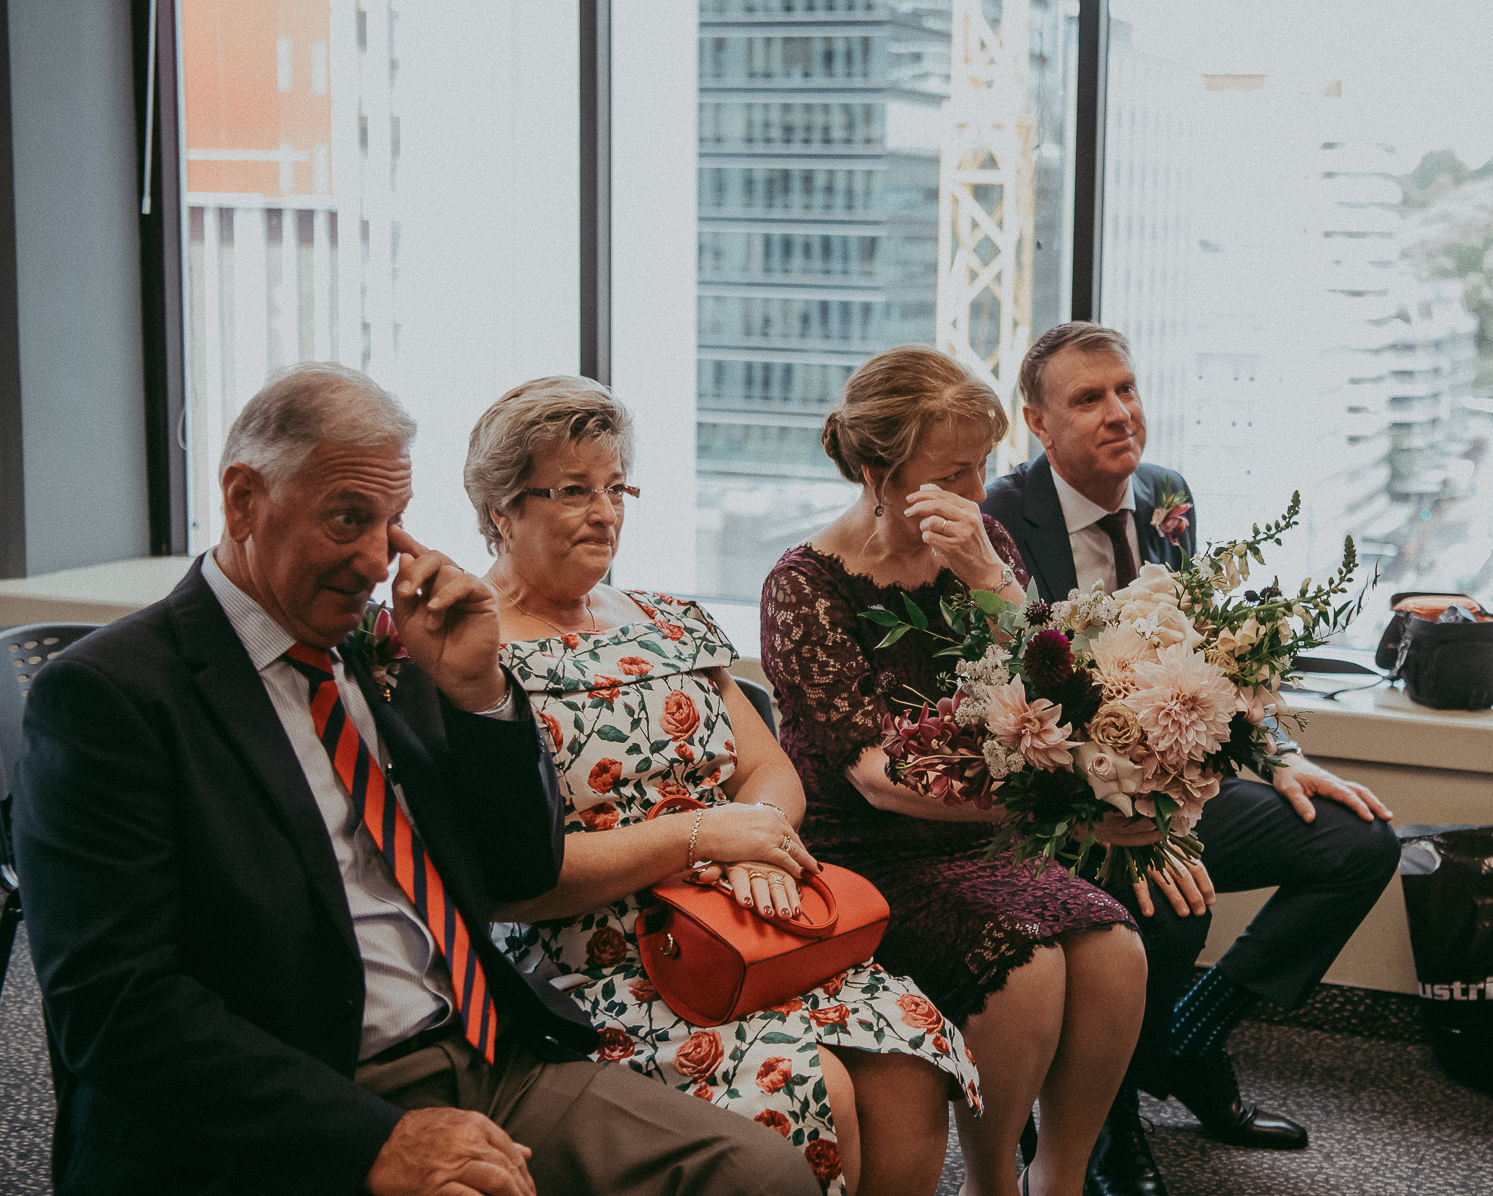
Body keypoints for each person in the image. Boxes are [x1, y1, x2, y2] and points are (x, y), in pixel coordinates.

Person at [14, 364, 817, 1196]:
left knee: (761, 1176)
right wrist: (369, 1141)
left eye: (392, 524)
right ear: (244, 500)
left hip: (483, 1046)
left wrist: (480, 698)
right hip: (301, 1094)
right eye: (347, 520)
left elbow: (517, 873)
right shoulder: (113, 695)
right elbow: (117, 1010)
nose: (372, 562)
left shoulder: (389, 653)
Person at [463, 376, 977, 1196]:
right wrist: (706, 837)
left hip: (750, 920)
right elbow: (515, 873)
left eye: (614, 488)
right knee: (820, 1088)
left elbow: (769, 766)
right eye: (572, 491)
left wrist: (760, 840)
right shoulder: (468, 655)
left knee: (907, 1054)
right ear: (500, 507)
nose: (605, 512)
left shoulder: (669, 619)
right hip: (603, 958)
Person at [981, 323, 1403, 1196]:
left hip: (1175, 791)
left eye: (1126, 389)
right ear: (1036, 420)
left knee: (1355, 844)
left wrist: (1280, 755)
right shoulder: (1001, 520)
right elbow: (1006, 701)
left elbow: (1206, 651)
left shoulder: (1168, 493)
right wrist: (1128, 819)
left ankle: (1192, 1038)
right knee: (1164, 914)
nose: (1119, 413)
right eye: (1088, 399)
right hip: (1068, 808)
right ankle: (1109, 1123)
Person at [759, 346, 1148, 1196]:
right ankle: (990, 1180)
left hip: (982, 840)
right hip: (865, 850)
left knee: (1116, 952)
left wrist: (990, 580)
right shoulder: (806, 584)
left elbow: (1068, 688)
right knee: (1028, 970)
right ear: (877, 471)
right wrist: (1063, 818)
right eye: (953, 472)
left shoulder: (984, 542)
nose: (978, 492)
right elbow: (877, 774)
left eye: (981, 466)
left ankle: (1063, 1175)